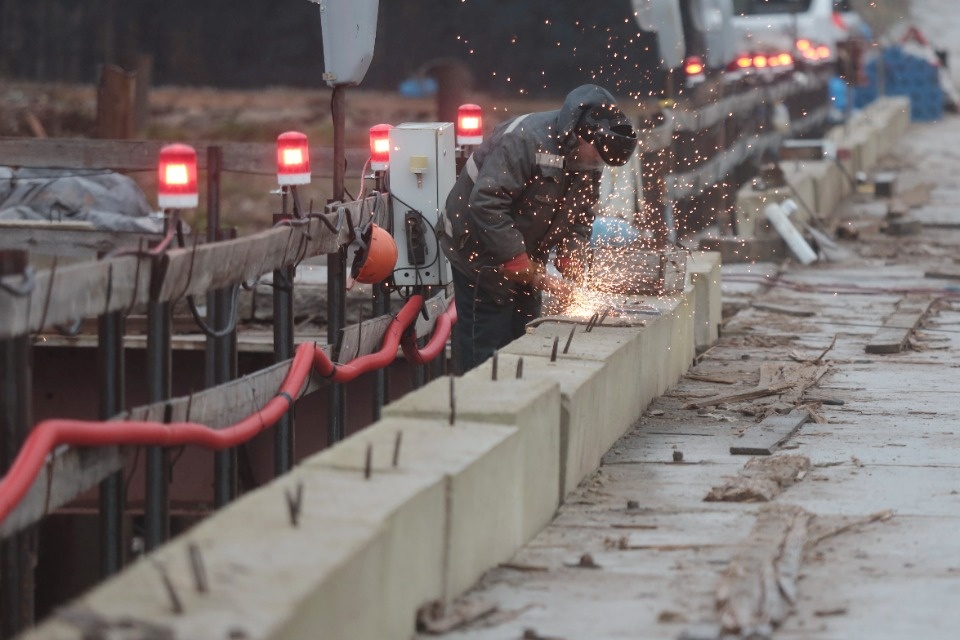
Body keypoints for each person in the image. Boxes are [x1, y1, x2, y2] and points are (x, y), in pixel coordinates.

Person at [439, 84, 638, 373]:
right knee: (487, 345)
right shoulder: (524, 140)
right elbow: (486, 203)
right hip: (477, 251)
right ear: (579, 133)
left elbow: (581, 215)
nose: (598, 165)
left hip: (527, 254)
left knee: (525, 333)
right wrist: (514, 256)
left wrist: (571, 256)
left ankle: (516, 399)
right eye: (596, 157)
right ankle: (479, 406)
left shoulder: (591, 154)